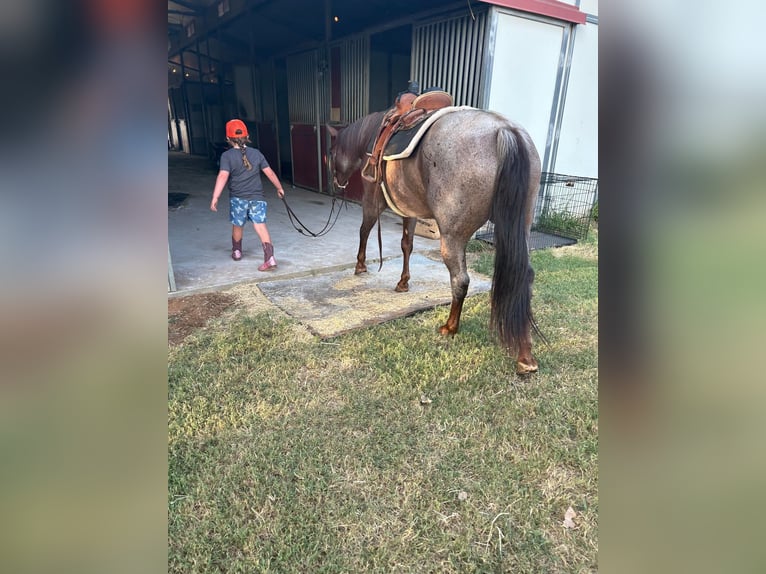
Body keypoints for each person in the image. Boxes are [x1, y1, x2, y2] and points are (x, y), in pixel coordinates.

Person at [210, 119, 285, 270]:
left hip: (238, 198)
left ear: (228, 139)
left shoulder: (227, 156)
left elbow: (223, 176)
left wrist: (215, 197)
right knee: (260, 225)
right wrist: (279, 188)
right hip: (257, 198)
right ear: (247, 136)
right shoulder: (257, 153)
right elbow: (269, 173)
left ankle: (237, 251)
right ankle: (270, 258)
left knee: (238, 224)